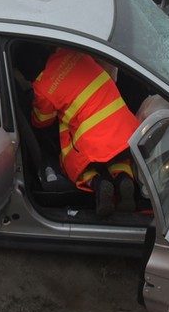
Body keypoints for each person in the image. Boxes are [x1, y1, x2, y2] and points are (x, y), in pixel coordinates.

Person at [31, 47, 138, 218]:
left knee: (72, 162)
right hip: (124, 127)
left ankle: (98, 183)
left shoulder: (43, 85)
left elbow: (42, 122)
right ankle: (124, 178)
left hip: (92, 139)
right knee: (118, 156)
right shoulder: (79, 53)